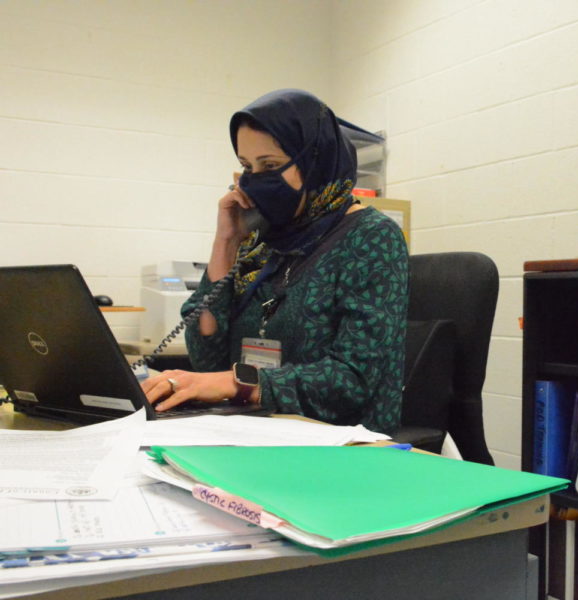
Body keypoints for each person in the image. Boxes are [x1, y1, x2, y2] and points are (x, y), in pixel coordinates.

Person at [140, 89, 408, 434]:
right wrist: (226, 241)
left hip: (342, 446)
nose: (254, 180)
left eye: (269, 166)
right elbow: (206, 355)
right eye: (246, 167)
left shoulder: (371, 236)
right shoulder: (262, 245)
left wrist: (238, 384)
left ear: (315, 160)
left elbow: (353, 379)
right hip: (261, 430)